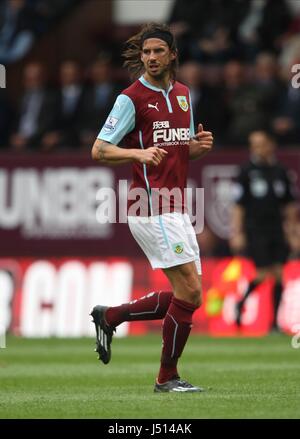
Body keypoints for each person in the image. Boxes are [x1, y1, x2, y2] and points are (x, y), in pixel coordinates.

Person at [90, 23, 213, 393]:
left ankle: (110, 316)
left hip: (176, 206)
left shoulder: (183, 95)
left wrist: (197, 146)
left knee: (188, 296)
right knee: (190, 294)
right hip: (150, 206)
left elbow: (177, 148)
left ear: (172, 54)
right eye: (146, 52)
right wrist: (135, 151)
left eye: (158, 51)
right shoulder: (131, 98)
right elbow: (99, 149)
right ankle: (167, 377)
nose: (151, 58)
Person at [230, 130, 298, 329]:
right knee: (261, 273)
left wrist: (293, 232)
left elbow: (289, 205)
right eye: (253, 144)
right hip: (255, 228)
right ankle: (240, 304)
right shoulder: (246, 172)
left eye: (260, 144)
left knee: (278, 274)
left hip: (276, 229)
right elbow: (238, 205)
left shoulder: (281, 172)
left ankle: (274, 324)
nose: (257, 148)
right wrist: (237, 232)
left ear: (271, 145)